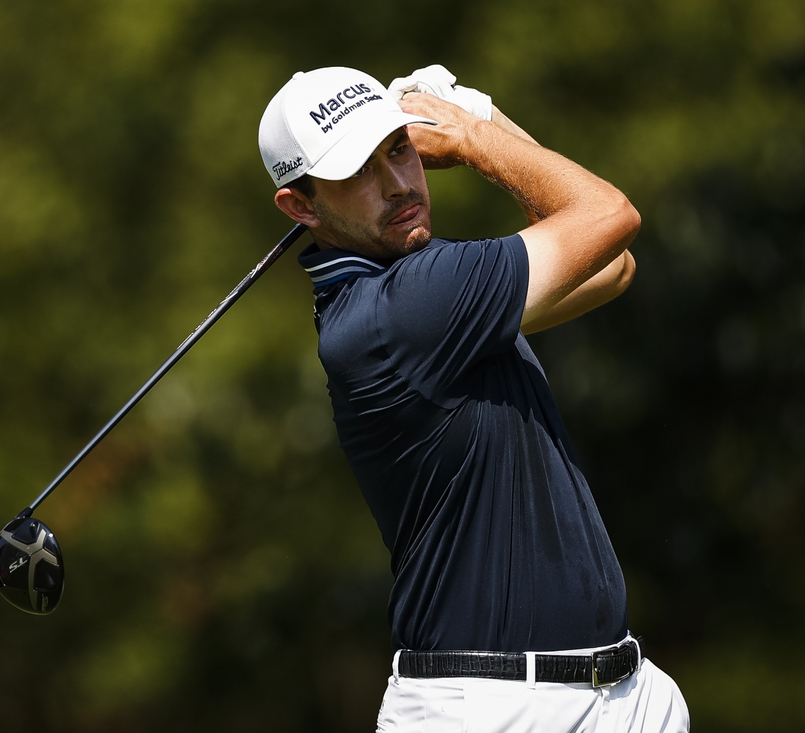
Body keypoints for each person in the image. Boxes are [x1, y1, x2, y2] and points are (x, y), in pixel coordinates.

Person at [258, 66, 689, 732]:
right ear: (301, 206)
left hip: (619, 693)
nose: (398, 183)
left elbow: (609, 267)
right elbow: (611, 215)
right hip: (492, 709)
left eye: (399, 148)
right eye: (358, 172)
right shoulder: (408, 309)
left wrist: (478, 114)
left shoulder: (428, 294)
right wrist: (475, 136)